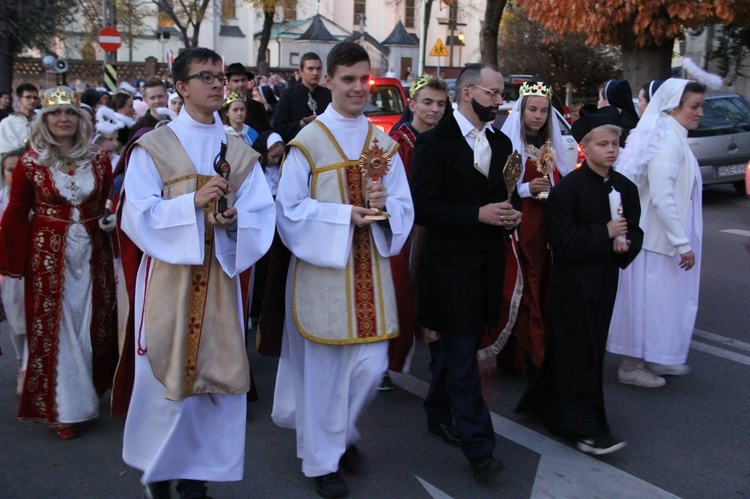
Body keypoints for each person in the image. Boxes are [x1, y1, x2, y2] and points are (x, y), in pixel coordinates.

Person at [120, 47, 275, 499]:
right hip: (170, 275)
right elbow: (138, 214)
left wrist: (233, 222)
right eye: (203, 76)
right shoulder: (154, 146)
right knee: (164, 377)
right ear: (181, 88)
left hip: (221, 276)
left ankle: (196, 475)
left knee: (213, 381)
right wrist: (191, 204)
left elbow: (261, 211)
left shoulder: (239, 149)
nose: (215, 83)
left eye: (219, 77)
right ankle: (158, 468)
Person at [271, 41, 413, 498]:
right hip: (324, 271)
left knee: (369, 370)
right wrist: (342, 215)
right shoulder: (307, 143)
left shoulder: (382, 143)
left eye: (363, 79)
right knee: (325, 374)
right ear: (328, 80)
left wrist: (386, 208)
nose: (357, 88)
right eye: (347, 79)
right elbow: (287, 210)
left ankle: (341, 433)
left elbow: (404, 204)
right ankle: (321, 461)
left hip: (370, 267)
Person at [410, 62, 521, 478]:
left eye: (501, 93)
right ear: (469, 93)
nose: (499, 100)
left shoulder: (503, 145)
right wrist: (476, 214)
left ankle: (437, 410)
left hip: (487, 266)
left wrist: (513, 215)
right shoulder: (434, 143)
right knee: (461, 358)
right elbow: (422, 207)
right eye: (493, 93)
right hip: (449, 269)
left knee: (455, 354)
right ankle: (480, 449)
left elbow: (509, 199)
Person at [517, 107, 643, 455]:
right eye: (603, 143)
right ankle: (586, 428)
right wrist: (603, 232)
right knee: (580, 352)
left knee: (585, 348)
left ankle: (542, 403)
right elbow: (562, 241)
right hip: (572, 284)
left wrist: (626, 243)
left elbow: (635, 227)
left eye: (616, 143)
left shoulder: (625, 187)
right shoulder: (568, 190)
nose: (611, 150)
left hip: (604, 281)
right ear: (586, 147)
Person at [0, 86, 119, 439]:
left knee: (91, 323)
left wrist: (112, 222)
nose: (63, 118)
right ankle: (67, 409)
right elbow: (17, 212)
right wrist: (10, 264)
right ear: (44, 120)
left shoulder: (99, 159)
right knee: (58, 330)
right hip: (48, 256)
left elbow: (108, 202)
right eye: (55, 113)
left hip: (93, 251)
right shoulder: (29, 163)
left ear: (80, 119)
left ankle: (89, 392)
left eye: (69, 112)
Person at [607, 79, 706, 387]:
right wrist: (682, 241)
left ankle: (658, 356)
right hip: (655, 241)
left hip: (663, 238)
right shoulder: (666, 141)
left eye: (701, 105)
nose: (700, 112)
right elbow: (663, 196)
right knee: (647, 302)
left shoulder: (673, 136)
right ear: (673, 108)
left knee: (665, 303)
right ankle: (631, 364)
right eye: (694, 106)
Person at [496, 81, 573, 373]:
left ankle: (536, 351)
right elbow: (500, 189)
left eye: (543, 110)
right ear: (522, 110)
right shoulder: (508, 144)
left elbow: (562, 183)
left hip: (545, 230)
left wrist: (551, 188)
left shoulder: (550, 147)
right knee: (523, 288)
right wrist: (527, 188)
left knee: (542, 285)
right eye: (532, 109)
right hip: (519, 227)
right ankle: (524, 353)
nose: (538, 116)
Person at [381, 74, 448, 391]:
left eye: (440, 104)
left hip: (436, 224)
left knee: (434, 293)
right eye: (427, 102)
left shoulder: (446, 139)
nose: (434, 109)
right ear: (412, 104)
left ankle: (439, 359)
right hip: (404, 228)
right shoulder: (398, 142)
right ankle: (383, 361)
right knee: (399, 292)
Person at [0, 149, 27, 396]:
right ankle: (20, 359)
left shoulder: (36, 200)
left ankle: (28, 369)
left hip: (33, 267)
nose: (15, 174)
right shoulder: (1, 201)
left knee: (34, 319)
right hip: (9, 273)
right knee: (16, 321)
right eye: (10, 170)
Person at [272, 52, 332, 144]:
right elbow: (278, 128)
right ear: (301, 72)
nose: (315, 73)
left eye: (318, 69)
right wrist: (301, 123)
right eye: (310, 69)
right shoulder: (288, 95)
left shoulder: (328, 95)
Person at [225, 62, 272, 133]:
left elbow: (267, 133)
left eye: (243, 80)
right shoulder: (219, 109)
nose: (240, 84)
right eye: (236, 81)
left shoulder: (258, 107)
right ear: (228, 83)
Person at [597, 79, 639, 146]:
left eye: (600, 98)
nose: (598, 102)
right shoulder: (623, 122)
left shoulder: (624, 131)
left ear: (609, 102)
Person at [0, 83, 38, 154]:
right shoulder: (7, 123)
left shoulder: (43, 121)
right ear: (19, 99)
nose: (33, 100)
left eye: (35, 98)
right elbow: (3, 149)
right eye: (28, 97)